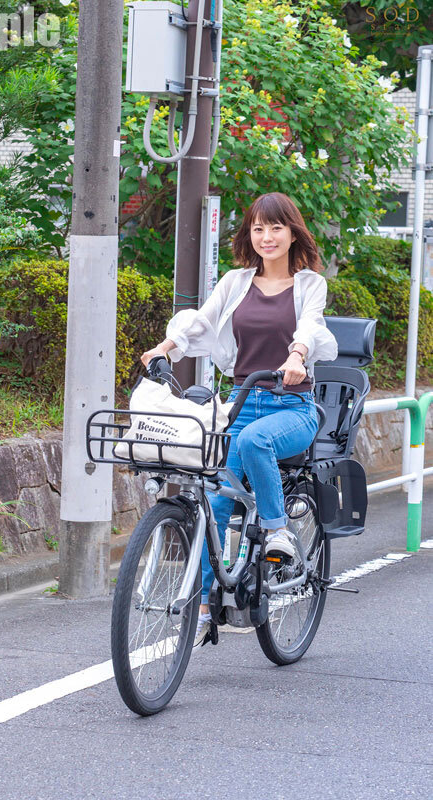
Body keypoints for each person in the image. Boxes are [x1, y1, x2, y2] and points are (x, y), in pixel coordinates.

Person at [141, 192, 338, 646]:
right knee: (214, 502)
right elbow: (202, 322)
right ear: (249, 234)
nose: (266, 237)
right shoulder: (235, 281)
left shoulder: (310, 285)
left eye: (275, 228)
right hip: (241, 402)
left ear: (292, 233)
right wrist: (164, 349)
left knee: (254, 443)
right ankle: (205, 605)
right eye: (257, 228)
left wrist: (297, 354)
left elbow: (310, 325)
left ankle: (276, 532)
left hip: (292, 406)